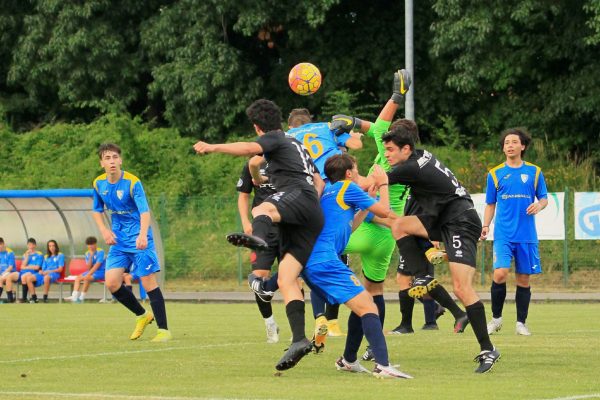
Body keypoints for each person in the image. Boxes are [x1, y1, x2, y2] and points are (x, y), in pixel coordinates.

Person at [193, 99, 324, 371]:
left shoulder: (274, 138)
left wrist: (213, 146)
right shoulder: (295, 143)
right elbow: (319, 181)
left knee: (262, 209)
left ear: (257, 127)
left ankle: (259, 240)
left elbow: (250, 149)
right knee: (288, 278)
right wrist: (308, 204)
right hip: (311, 212)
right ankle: (299, 338)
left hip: (297, 196)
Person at [382, 123, 501, 373]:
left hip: (461, 222)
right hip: (444, 221)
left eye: (391, 150)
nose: (388, 155)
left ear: (406, 149)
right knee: (400, 225)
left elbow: (377, 181)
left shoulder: (412, 166)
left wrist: (341, 182)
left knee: (462, 287)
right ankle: (423, 275)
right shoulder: (419, 156)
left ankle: (488, 349)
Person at [303, 153, 411, 379]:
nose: (359, 175)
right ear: (349, 173)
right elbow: (386, 211)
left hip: (316, 261)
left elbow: (348, 230)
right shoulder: (347, 187)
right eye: (357, 170)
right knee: (369, 307)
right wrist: (383, 184)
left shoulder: (330, 193)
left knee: (362, 306)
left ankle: (348, 360)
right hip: (326, 262)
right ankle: (382, 365)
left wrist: (363, 208)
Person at [287, 108, 364, 338]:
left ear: (291, 125)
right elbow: (357, 145)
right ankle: (333, 322)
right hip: (332, 191)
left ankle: (317, 317)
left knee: (309, 261)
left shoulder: (288, 136)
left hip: (303, 197)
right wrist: (355, 137)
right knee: (336, 258)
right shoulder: (326, 128)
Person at [92, 143, 171, 342]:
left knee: (148, 281)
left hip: (139, 239)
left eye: (114, 157)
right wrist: (104, 230)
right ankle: (143, 315)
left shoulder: (132, 182)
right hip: (118, 241)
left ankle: (164, 330)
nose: (111, 161)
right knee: (112, 283)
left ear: (120, 160)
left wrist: (143, 235)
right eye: (107, 158)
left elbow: (144, 211)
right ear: (101, 162)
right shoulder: (98, 184)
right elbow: (96, 210)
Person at [481, 128, 548, 336]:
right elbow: (490, 204)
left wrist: (539, 205)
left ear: (522, 146)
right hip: (503, 234)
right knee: (500, 273)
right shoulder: (495, 173)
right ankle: (496, 319)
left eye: (513, 142)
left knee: (523, 280)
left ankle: (521, 323)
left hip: (526, 234)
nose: (509, 145)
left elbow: (544, 198)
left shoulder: (534, 172)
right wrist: (485, 225)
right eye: (506, 143)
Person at [237, 157, 281, 343]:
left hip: (288, 225)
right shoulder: (253, 163)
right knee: (258, 277)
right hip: (263, 228)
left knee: (294, 278)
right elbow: (243, 195)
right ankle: (270, 323)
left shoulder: (289, 160)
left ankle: (299, 331)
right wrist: (246, 222)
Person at [66, 236, 106, 303]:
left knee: (87, 278)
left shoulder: (100, 251)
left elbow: (97, 265)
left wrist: (88, 274)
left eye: (92, 245)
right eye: (89, 246)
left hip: (100, 272)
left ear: (95, 244)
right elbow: (88, 267)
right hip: (90, 271)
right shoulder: (87, 253)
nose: (90, 247)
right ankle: (74, 297)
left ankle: (81, 298)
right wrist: (90, 256)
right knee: (78, 278)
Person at [4, 238, 43, 303]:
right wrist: (27, 257)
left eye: (32, 245)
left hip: (32, 273)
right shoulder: (25, 254)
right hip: (22, 272)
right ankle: (10, 299)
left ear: (35, 245)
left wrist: (27, 267)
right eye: (29, 245)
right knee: (9, 276)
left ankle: (24, 298)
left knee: (24, 276)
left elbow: (37, 267)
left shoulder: (39, 254)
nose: (30, 246)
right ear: (27, 245)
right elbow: (22, 267)